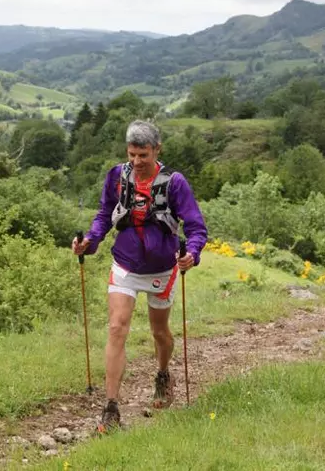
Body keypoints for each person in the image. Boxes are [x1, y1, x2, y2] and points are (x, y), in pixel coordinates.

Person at [72, 119, 208, 433]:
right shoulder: (117, 177)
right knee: (117, 326)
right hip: (125, 264)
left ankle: (162, 374)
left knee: (160, 332)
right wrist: (89, 242)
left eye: (143, 155)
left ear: (157, 149)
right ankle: (111, 408)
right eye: (132, 154)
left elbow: (196, 227)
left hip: (162, 267)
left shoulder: (174, 183)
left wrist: (193, 253)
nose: (136, 161)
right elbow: (105, 214)